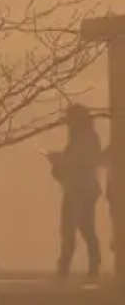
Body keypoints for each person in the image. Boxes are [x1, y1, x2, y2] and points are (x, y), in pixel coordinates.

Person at [47, 104, 104, 282]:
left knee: (82, 227)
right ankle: (66, 269)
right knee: (71, 230)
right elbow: (69, 168)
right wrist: (58, 167)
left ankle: (87, 267)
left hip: (83, 190)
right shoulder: (80, 139)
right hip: (75, 189)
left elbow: (84, 163)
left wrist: (61, 164)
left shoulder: (88, 139)